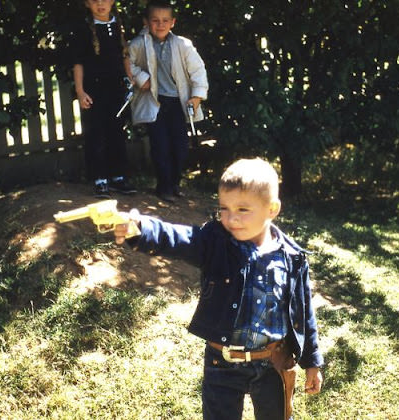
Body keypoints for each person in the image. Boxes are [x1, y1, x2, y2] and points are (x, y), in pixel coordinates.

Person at [113, 158, 323, 420]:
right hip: (222, 364)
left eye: (243, 209)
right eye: (224, 208)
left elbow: (304, 311)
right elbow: (180, 239)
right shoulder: (215, 243)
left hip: (274, 363)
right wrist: (142, 229)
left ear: (272, 209)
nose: (231, 218)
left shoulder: (292, 257)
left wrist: (312, 362)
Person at [128, 0, 208, 203]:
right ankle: (163, 187)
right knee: (160, 145)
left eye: (165, 20)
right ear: (146, 22)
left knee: (180, 146)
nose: (160, 25)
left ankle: (174, 183)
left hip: (177, 103)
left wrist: (197, 96)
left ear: (173, 22)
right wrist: (140, 78)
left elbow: (198, 71)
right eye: (155, 20)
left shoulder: (183, 45)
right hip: (155, 102)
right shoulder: (138, 44)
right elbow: (127, 64)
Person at [71, 0, 137, 198]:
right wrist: (81, 91)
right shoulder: (84, 29)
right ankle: (100, 179)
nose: (100, 4)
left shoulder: (118, 25)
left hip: (115, 89)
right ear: (87, 3)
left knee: (116, 131)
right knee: (96, 133)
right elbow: (78, 63)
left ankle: (118, 177)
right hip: (94, 90)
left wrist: (130, 78)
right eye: (95, 0)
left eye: (105, 0)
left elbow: (125, 56)